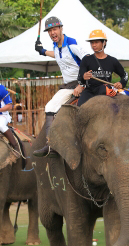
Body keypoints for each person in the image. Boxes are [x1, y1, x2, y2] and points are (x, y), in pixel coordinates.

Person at [33, 16, 88, 157]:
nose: (52, 33)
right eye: (49, 31)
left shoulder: (72, 44)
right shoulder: (56, 46)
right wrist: (42, 51)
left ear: (61, 28)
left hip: (84, 85)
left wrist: (82, 85)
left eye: (54, 29)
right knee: (50, 108)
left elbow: (90, 62)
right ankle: (50, 144)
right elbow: (57, 55)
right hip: (69, 86)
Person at [77, 29, 128, 106]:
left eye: (96, 42)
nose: (93, 45)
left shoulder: (112, 61)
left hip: (105, 91)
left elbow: (125, 75)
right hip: (90, 91)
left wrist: (121, 83)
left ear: (104, 42)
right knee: (79, 109)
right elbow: (79, 79)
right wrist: (84, 77)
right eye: (92, 43)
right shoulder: (86, 59)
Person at [0, 85, 20, 157]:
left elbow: (9, 106)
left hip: (2, 115)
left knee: (1, 125)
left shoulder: (2, 89)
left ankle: (15, 147)